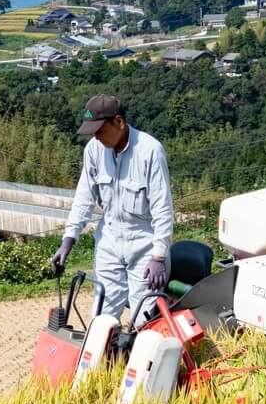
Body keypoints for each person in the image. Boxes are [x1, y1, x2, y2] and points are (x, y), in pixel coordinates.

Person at [50, 94, 174, 326]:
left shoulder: (150, 151)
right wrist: (68, 239)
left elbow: (162, 208)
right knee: (102, 316)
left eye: (99, 131)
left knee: (144, 317)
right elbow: (83, 198)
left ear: (119, 122)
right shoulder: (93, 151)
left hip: (144, 242)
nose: (96, 137)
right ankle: (105, 360)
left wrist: (158, 255)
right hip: (109, 239)